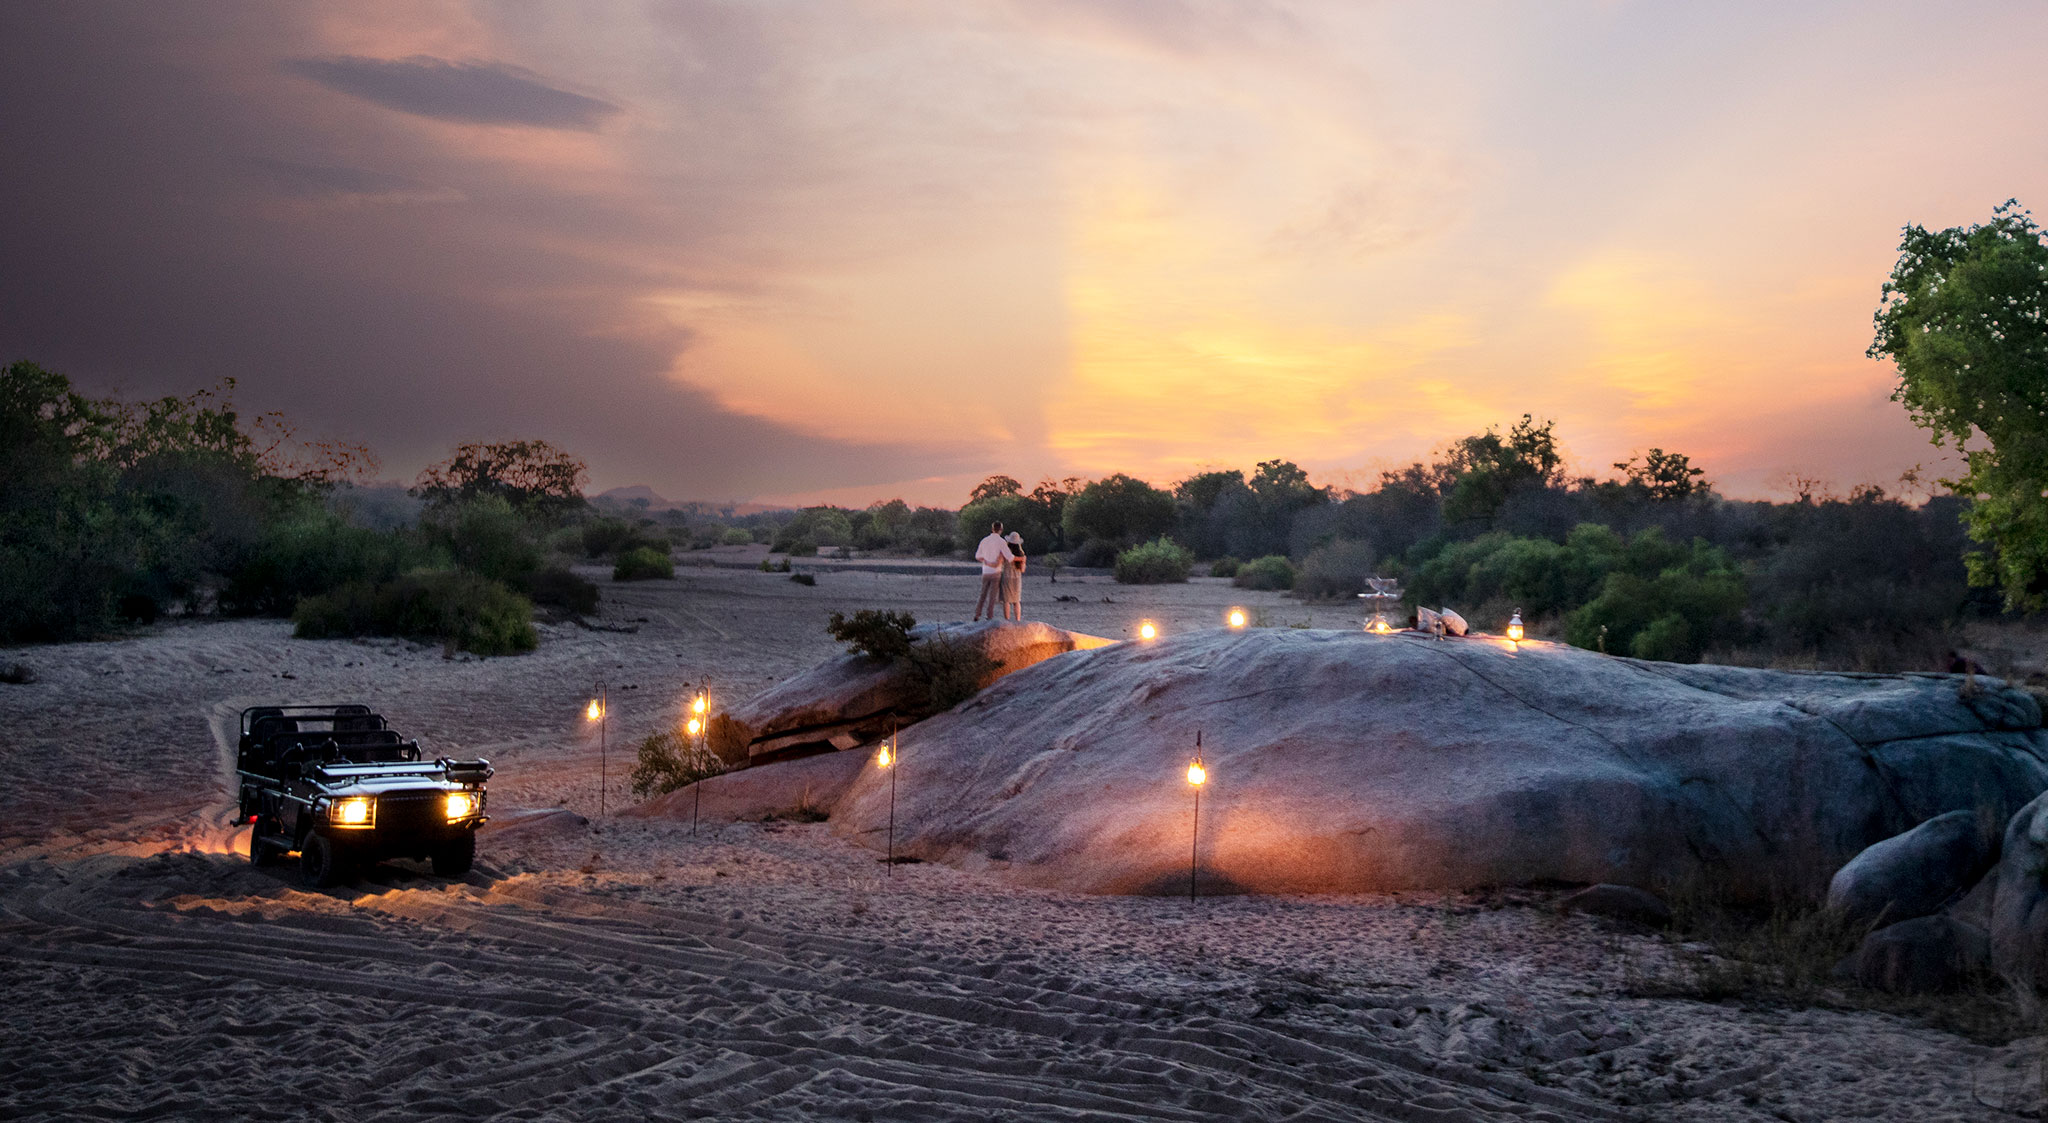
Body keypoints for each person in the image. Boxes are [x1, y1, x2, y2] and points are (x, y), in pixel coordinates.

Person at [972, 521, 1016, 621]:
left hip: (986, 571)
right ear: (1001, 530)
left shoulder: (984, 540)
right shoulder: (1001, 542)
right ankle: (989, 616)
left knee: (982, 593)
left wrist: (987, 562)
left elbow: (977, 556)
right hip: (996, 572)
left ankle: (977, 614)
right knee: (992, 595)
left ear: (992, 529)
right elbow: (1009, 557)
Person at [1000, 531, 1026, 621]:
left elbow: (1000, 563)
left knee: (1006, 600)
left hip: (1007, 577)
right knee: (1016, 600)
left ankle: (1007, 620)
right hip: (1017, 578)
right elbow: (1022, 570)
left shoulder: (1006, 552)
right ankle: (1017, 620)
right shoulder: (1022, 555)